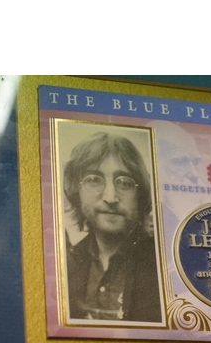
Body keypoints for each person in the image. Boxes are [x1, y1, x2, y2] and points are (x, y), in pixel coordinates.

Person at [64, 131, 161, 322]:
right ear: (76, 190)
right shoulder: (68, 263)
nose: (110, 197)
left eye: (124, 183)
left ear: (140, 194)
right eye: (94, 180)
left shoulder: (161, 264)